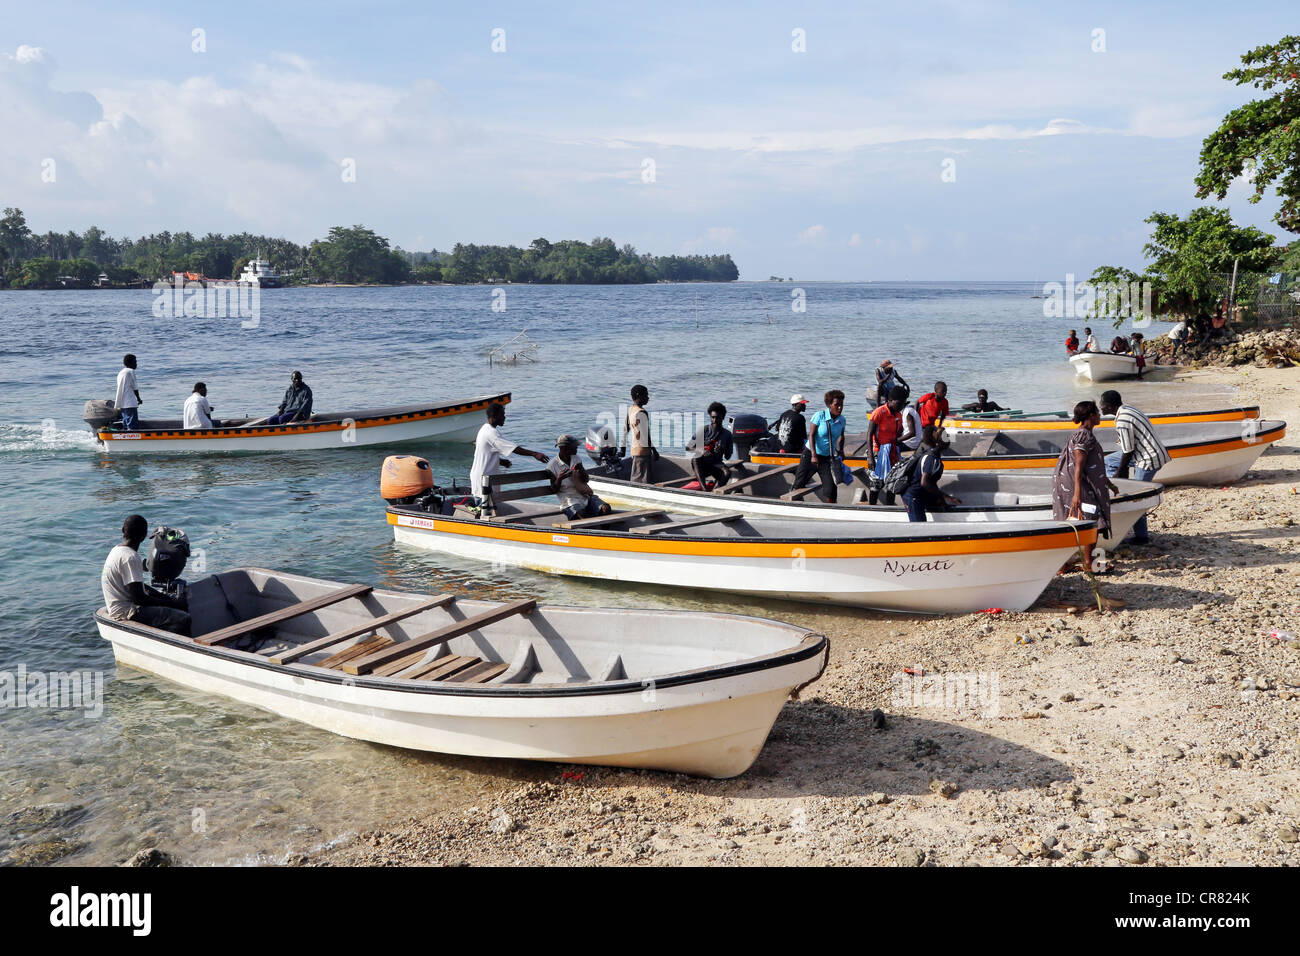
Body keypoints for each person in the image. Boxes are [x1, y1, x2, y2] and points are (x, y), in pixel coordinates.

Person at [1052, 401, 1120, 567]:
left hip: (1076, 481)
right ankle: (1088, 563)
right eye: (1097, 412)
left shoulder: (1085, 434)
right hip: (1075, 483)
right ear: (1091, 415)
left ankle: (1064, 564)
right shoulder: (1084, 436)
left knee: (1074, 521)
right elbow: (1078, 465)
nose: (1100, 415)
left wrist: (1109, 484)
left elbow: (1094, 466)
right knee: (1091, 520)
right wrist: (1077, 494)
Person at [1098, 390, 1169, 545]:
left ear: (1109, 406)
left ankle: (1141, 536)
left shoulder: (1123, 420)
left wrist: (1119, 475)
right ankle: (1120, 489)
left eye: (1102, 405)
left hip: (1148, 458)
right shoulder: (1127, 408)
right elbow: (1127, 450)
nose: (1100, 408)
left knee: (1137, 496)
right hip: (1142, 452)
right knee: (1109, 461)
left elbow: (1128, 451)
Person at [101, 515, 191, 635]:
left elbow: (138, 587)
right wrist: (173, 604)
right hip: (126, 611)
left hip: (118, 607)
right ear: (144, 536)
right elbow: (139, 599)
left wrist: (165, 598)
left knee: (172, 607)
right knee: (183, 619)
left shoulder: (116, 551)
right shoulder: (130, 557)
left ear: (123, 530)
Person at [470, 402, 549, 499]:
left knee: (484, 509)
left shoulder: (484, 429)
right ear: (494, 416)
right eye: (502, 414)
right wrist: (534, 454)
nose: (504, 417)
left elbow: (484, 454)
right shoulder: (491, 433)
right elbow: (513, 448)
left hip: (481, 476)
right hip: (484, 479)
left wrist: (500, 461)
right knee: (486, 510)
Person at [792, 390, 846, 503]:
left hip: (826, 458)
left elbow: (841, 436)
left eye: (841, 404)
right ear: (829, 405)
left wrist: (841, 450)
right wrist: (813, 455)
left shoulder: (842, 420)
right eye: (837, 405)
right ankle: (796, 505)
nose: (840, 407)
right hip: (810, 455)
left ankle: (831, 510)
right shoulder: (819, 416)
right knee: (799, 483)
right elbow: (811, 435)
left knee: (831, 489)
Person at [902, 424, 962, 522]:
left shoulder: (934, 455)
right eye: (945, 437)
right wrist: (946, 496)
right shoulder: (931, 458)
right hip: (913, 496)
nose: (948, 440)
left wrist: (941, 500)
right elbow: (924, 483)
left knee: (940, 503)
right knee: (919, 525)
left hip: (923, 493)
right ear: (938, 442)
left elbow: (931, 482)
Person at [548, 435, 610, 520]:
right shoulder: (552, 465)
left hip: (584, 496)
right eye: (574, 447)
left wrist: (581, 470)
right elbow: (554, 490)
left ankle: (603, 531)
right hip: (568, 501)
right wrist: (559, 479)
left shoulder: (576, 458)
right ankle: (592, 530)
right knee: (582, 515)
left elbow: (586, 479)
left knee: (606, 508)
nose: (577, 448)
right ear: (565, 449)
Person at [687, 402, 734, 489]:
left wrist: (722, 449)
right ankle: (704, 489)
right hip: (702, 465)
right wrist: (703, 451)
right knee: (695, 458)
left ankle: (715, 492)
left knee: (727, 473)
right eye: (712, 417)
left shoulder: (728, 435)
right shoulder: (704, 430)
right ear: (710, 417)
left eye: (717, 418)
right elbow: (688, 447)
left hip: (716, 464)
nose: (714, 420)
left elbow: (727, 457)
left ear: (723, 417)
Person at [866, 388, 907, 482]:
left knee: (892, 483)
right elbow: (869, 434)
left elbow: (898, 433)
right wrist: (870, 457)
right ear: (890, 400)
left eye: (903, 404)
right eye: (899, 403)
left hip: (892, 452)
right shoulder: (879, 412)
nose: (901, 406)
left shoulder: (898, 415)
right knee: (877, 484)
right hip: (879, 451)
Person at [627, 384, 656, 483]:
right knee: (642, 479)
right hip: (643, 450)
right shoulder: (642, 412)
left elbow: (626, 428)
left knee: (636, 476)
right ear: (639, 396)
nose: (648, 398)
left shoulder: (631, 409)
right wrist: (654, 450)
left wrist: (622, 447)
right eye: (646, 395)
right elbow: (645, 435)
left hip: (634, 449)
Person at [115, 354, 142, 430]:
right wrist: (139, 399)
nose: (136, 364)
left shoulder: (121, 372)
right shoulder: (131, 371)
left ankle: (125, 439)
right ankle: (133, 439)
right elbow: (135, 388)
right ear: (130, 363)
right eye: (135, 362)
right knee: (132, 425)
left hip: (122, 403)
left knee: (126, 423)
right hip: (130, 402)